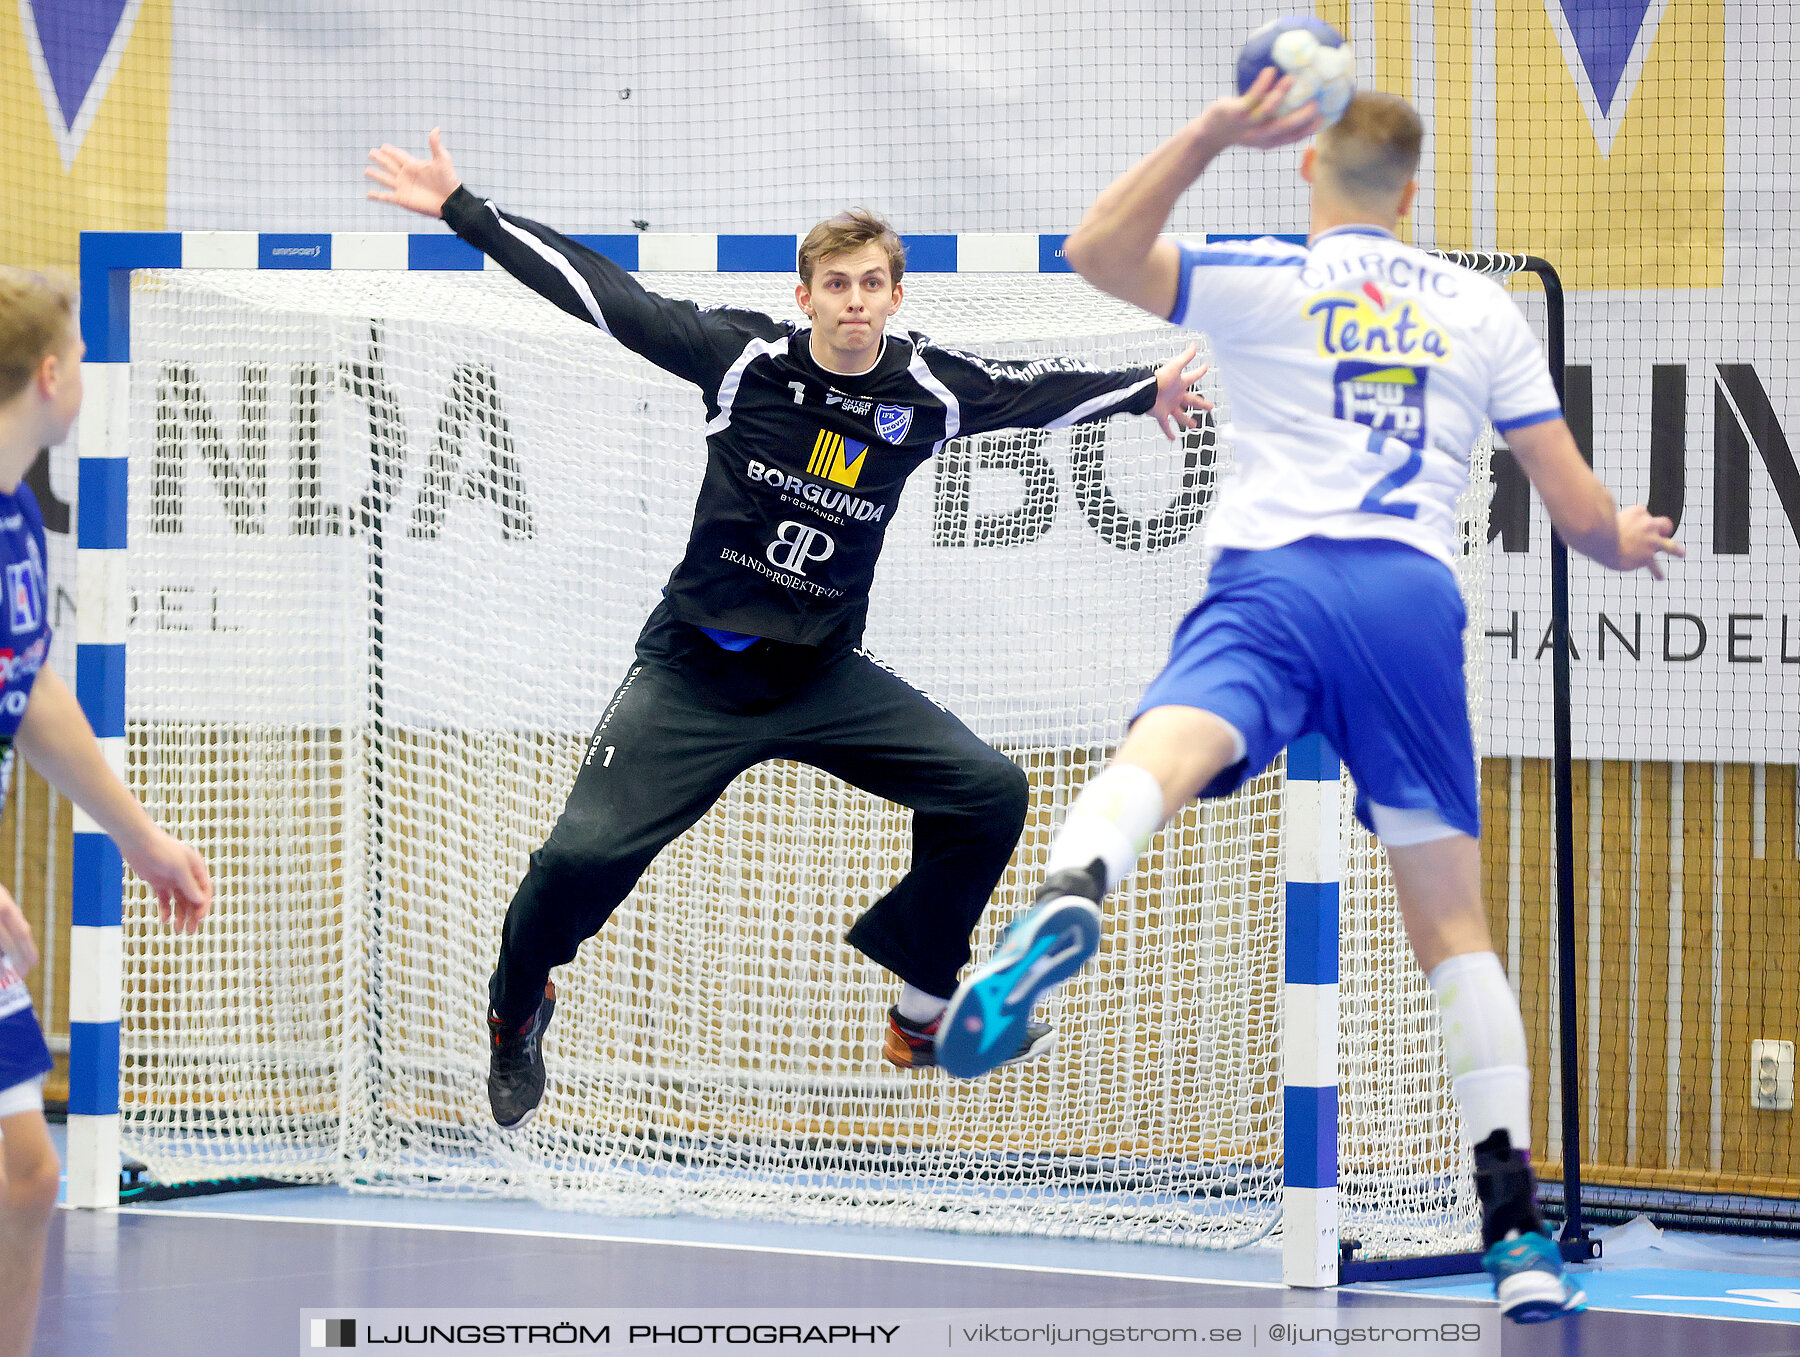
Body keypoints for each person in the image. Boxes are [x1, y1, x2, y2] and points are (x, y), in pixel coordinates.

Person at [934, 76, 1682, 1324]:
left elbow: (1096, 251)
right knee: (1453, 925)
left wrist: (1212, 130)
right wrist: (1629, 533)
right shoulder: (1478, 307)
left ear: (1306, 171)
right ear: (1413, 189)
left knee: (1161, 748)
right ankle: (1515, 1233)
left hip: (1274, 581)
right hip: (1404, 598)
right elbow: (1583, 519)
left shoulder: (1265, 276)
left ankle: (1072, 893)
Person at [363, 131, 1212, 1126]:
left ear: (896, 297)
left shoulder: (924, 390)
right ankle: (517, 1006)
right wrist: (465, 206)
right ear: (805, 296)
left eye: (871, 284)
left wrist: (1144, 391)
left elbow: (1031, 390)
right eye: (836, 284)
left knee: (987, 790)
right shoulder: (742, 364)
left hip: (820, 678)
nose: (854, 301)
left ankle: (921, 1013)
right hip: (693, 674)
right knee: (574, 865)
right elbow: (602, 295)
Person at [0, 267, 214, 1357]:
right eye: (80, 355)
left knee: (25, 1177)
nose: (86, 371)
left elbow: (28, 694)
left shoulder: (19, 523)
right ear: (50, 376)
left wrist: (143, 839)